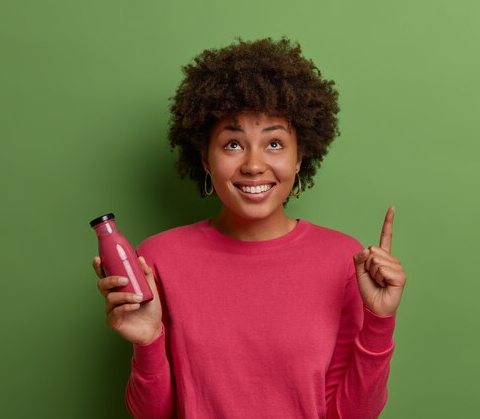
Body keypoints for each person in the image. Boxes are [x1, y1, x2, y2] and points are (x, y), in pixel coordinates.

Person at [92, 37, 407, 419]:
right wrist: (147, 342)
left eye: (274, 143)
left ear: (299, 157)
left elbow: (353, 415)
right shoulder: (159, 258)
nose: (254, 165)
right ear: (205, 159)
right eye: (232, 145)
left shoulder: (343, 258)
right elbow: (152, 414)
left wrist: (380, 321)